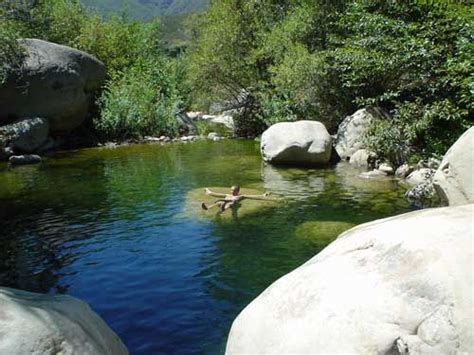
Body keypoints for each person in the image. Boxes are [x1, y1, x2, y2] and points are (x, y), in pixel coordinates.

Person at [201, 185, 270, 212]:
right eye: (231, 190)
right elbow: (215, 194)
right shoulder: (227, 195)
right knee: (219, 202)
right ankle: (207, 208)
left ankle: (223, 209)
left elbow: (252, 196)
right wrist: (208, 190)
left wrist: (262, 195)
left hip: (232, 204)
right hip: (224, 202)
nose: (232, 192)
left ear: (237, 191)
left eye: (233, 191)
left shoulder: (240, 196)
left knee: (231, 203)